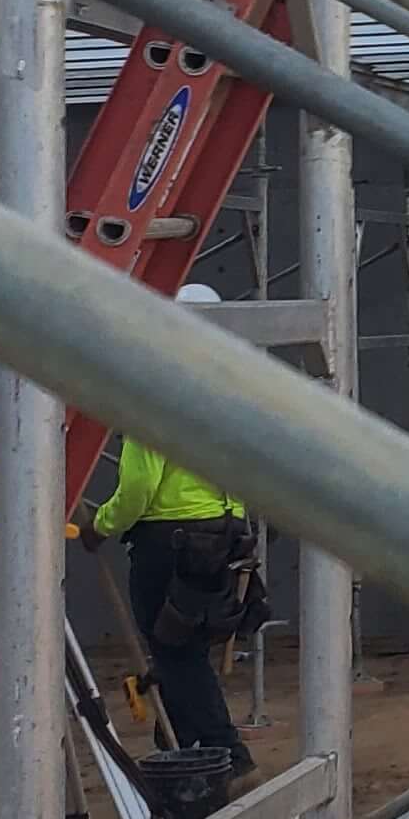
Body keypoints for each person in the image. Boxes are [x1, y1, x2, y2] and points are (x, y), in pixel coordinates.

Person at [76, 283, 262, 778]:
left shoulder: (156, 390)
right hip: (222, 533)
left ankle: (224, 754)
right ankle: (183, 745)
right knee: (188, 648)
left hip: (170, 542)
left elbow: (138, 484)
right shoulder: (231, 393)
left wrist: (102, 524)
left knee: (175, 650)